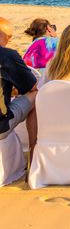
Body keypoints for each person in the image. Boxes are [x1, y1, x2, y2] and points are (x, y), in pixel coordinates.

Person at [0, 17, 37, 154]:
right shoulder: (7, 55)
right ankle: (33, 151)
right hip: (1, 126)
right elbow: (32, 87)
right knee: (36, 95)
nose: (9, 40)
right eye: (9, 37)